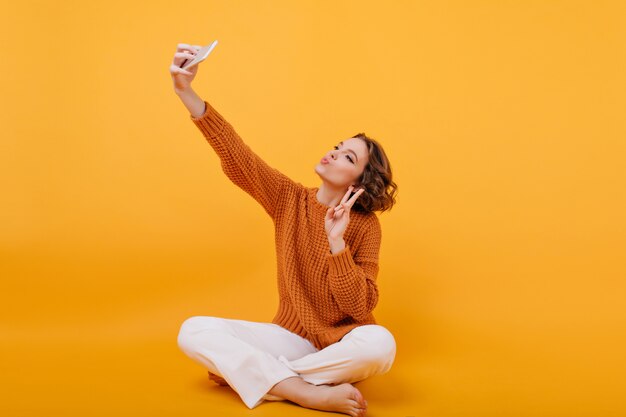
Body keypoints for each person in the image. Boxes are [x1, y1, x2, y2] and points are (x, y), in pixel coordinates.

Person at [170, 43, 399, 417]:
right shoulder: (288, 198)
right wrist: (186, 91)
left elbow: (360, 308)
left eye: (348, 157)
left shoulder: (365, 227)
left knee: (381, 345)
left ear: (361, 179)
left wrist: (337, 243)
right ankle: (305, 391)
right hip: (287, 338)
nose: (334, 153)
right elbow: (237, 155)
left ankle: (261, 378)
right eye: (338, 147)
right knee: (193, 330)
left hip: (340, 343)